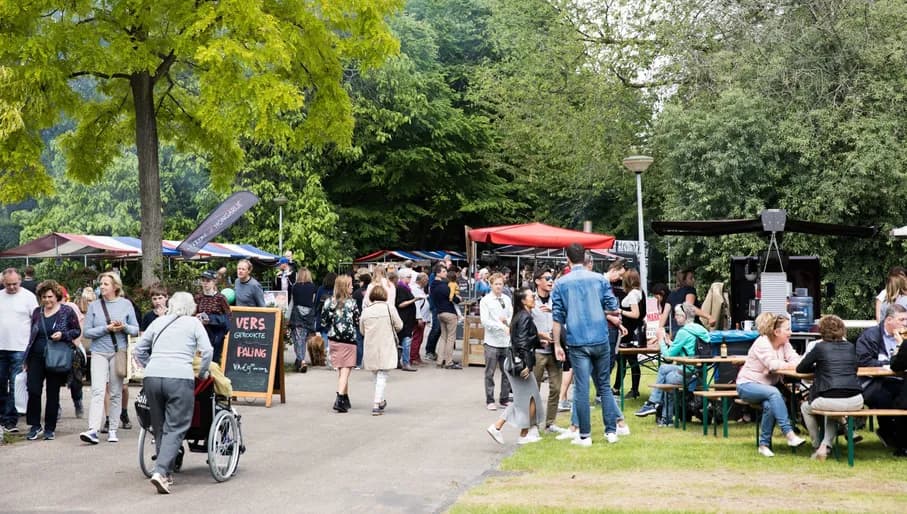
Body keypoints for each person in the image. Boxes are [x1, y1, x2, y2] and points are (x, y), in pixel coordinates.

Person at [134, 292, 213, 494]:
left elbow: (139, 349)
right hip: (179, 377)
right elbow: (207, 351)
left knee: (159, 426)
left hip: (152, 377)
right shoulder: (194, 323)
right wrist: (202, 373)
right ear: (191, 307)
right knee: (176, 426)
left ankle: (166, 472)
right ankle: (161, 472)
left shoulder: (158, 322)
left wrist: (150, 366)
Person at [551, 243, 622, 446]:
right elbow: (613, 307)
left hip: (577, 340)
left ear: (567, 259)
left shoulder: (561, 284)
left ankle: (585, 435)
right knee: (604, 385)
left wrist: (557, 344)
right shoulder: (600, 279)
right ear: (585, 258)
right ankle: (611, 431)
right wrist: (596, 308)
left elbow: (557, 317)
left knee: (581, 388)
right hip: (600, 336)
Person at [79, 271, 140, 445]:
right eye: (101, 284)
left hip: (118, 352)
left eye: (105, 284)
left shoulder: (126, 304)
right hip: (98, 352)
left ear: (115, 287)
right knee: (98, 391)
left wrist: (123, 326)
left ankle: (113, 428)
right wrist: (106, 329)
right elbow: (87, 332)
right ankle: (93, 429)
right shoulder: (94, 306)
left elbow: (135, 329)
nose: (102, 287)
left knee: (115, 391)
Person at [735, 312, 806, 457]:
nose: (790, 332)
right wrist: (787, 365)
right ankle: (789, 433)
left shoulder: (785, 343)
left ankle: (763, 445)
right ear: (776, 332)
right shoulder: (762, 343)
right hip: (747, 385)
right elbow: (772, 364)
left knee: (770, 404)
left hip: (768, 388)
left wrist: (784, 364)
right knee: (774, 393)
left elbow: (797, 360)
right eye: (787, 329)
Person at [797, 315, 864, 460]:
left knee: (805, 408)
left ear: (821, 330)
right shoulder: (850, 347)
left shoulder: (819, 347)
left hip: (829, 398)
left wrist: (818, 368)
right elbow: (854, 369)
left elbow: (801, 368)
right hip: (856, 400)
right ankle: (826, 445)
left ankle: (817, 445)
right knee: (833, 410)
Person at [22, 280, 81, 441]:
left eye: (50, 296)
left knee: (52, 393)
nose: (47, 300)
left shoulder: (66, 311)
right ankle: (35, 425)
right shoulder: (37, 312)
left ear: (56, 296)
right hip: (36, 356)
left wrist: (63, 335)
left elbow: (76, 331)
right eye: (44, 297)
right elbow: (31, 335)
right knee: (33, 390)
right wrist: (26, 358)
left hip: (56, 356)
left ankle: (50, 428)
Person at [487, 288, 545, 445]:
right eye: (531, 296)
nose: (534, 298)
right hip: (519, 364)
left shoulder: (520, 316)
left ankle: (502, 428)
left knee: (524, 398)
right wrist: (528, 364)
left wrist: (540, 340)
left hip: (515, 362)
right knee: (530, 398)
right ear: (523, 301)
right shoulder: (525, 317)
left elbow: (523, 338)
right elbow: (522, 343)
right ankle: (522, 434)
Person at [635, 304, 710, 425]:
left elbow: (668, 356)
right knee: (664, 370)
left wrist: (660, 339)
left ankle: (659, 411)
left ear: (684, 316)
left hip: (689, 373)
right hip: (700, 373)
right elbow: (691, 349)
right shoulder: (701, 330)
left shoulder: (683, 332)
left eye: (677, 315)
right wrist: (671, 343)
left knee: (668, 378)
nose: (675, 317)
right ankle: (657, 409)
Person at [855, 303, 907, 449]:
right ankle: (887, 432)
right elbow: (863, 361)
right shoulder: (870, 336)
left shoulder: (904, 337)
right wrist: (888, 363)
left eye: (906, 320)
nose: (905, 323)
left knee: (903, 395)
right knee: (883, 397)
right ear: (889, 320)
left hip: (899, 380)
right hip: (873, 381)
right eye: (901, 320)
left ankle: (899, 437)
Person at [0, 268, 39, 433]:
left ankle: (10, 419)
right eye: (8, 284)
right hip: (1, 347)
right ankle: (2, 416)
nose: (11, 287)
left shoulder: (28, 297)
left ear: (20, 281)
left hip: (20, 348)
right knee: (1, 383)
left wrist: (32, 347)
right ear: (3, 282)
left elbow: (36, 322)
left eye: (14, 284)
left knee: (16, 384)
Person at [360, 285, 403, 415]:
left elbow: (362, 330)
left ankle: (381, 400)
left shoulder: (366, 311)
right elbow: (399, 325)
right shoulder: (389, 308)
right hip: (386, 343)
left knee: (376, 374)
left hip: (371, 345)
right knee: (382, 374)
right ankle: (376, 404)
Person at [320, 275, 360, 412]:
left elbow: (323, 321)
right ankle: (340, 398)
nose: (352, 287)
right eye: (350, 285)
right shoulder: (352, 303)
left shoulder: (328, 302)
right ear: (344, 287)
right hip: (348, 340)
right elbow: (357, 321)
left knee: (342, 369)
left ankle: (345, 397)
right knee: (346, 369)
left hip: (334, 339)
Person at [530, 268, 561, 432]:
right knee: (534, 389)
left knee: (556, 388)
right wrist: (538, 337)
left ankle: (550, 423)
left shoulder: (556, 299)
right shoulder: (530, 300)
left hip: (555, 350)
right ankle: (532, 424)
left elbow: (565, 317)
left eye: (552, 278)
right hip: (538, 352)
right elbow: (524, 325)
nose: (550, 281)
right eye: (547, 278)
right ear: (537, 281)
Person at [480, 273, 513, 410]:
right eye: (496, 284)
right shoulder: (486, 300)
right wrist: (501, 326)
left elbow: (511, 315)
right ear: (491, 285)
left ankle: (504, 398)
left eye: (501, 284)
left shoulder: (507, 299)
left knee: (507, 372)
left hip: (506, 341)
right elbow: (485, 321)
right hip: (492, 342)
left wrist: (507, 322)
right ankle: (490, 399)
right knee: (490, 373)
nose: (499, 286)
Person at [614, 269, 644, 398]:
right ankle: (621, 388)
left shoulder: (632, 295)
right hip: (632, 330)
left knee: (627, 360)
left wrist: (620, 311)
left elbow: (635, 314)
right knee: (629, 361)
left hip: (628, 332)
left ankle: (622, 388)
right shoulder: (640, 292)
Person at [660, 269, 714, 335]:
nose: (693, 280)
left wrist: (659, 330)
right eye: (691, 278)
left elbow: (665, 314)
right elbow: (688, 307)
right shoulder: (690, 290)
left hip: (676, 331)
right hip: (691, 329)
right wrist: (709, 317)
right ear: (684, 280)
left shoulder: (672, 294)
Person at [194, 271, 231, 364]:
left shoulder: (220, 298)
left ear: (214, 282)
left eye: (208, 281)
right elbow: (193, 314)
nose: (205, 283)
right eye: (203, 280)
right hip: (201, 333)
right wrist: (197, 317)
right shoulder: (198, 298)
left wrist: (211, 319)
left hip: (216, 335)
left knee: (214, 362)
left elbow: (228, 318)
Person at [430, 263, 462, 369]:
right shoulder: (444, 286)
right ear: (438, 273)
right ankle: (449, 362)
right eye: (443, 271)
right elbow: (454, 299)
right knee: (450, 338)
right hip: (449, 312)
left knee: (443, 337)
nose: (446, 273)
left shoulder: (433, 285)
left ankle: (439, 361)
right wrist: (459, 298)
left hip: (439, 312)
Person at [289, 267, 317, 373]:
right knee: (303, 339)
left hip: (297, 314)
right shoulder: (313, 287)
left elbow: (292, 302)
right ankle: (299, 360)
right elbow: (313, 301)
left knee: (298, 339)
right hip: (309, 314)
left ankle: (302, 360)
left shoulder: (295, 287)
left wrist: (287, 317)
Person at [393, 270, 418, 372]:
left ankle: (398, 361)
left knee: (401, 341)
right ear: (402, 277)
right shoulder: (401, 288)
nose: (410, 279)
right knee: (406, 341)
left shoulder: (404, 287)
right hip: (404, 319)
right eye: (408, 277)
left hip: (407, 319)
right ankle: (405, 363)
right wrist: (414, 300)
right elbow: (400, 304)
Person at [410, 272, 430, 365]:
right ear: (422, 280)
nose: (427, 282)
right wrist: (419, 317)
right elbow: (416, 304)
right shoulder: (415, 289)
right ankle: (413, 357)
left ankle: (416, 356)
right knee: (417, 337)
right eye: (426, 280)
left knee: (420, 338)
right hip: (420, 317)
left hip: (423, 316)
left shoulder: (420, 289)